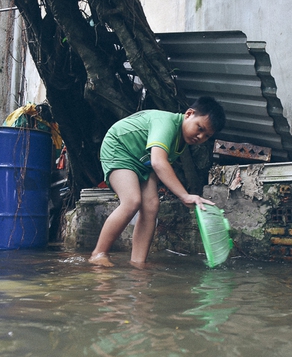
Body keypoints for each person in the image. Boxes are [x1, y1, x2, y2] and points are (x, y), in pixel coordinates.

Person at [89, 96, 226, 267]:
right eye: (200, 128)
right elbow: (158, 162)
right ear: (189, 114)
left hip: (142, 162)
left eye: (206, 136)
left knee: (152, 205)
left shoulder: (181, 140)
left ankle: (138, 262)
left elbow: (156, 164)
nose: (200, 136)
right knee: (132, 201)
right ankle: (99, 253)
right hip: (119, 149)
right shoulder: (166, 123)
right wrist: (184, 195)